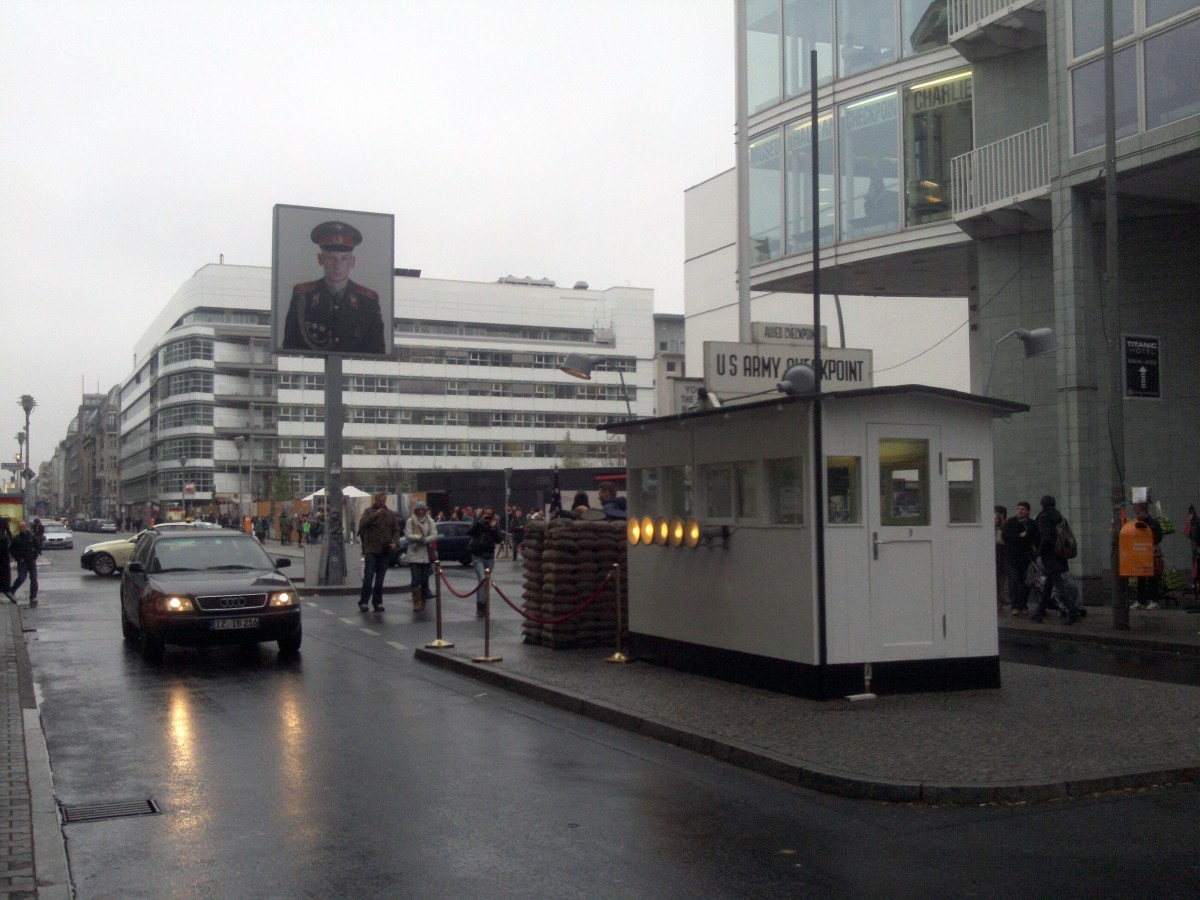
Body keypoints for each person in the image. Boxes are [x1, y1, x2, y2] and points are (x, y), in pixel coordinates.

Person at [282, 221, 385, 355]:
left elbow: (377, 353)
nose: (337, 265)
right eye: (331, 258)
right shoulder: (302, 296)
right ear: (321, 259)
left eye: (344, 259)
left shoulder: (368, 301)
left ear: (352, 262)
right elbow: (290, 348)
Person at [1031, 496, 1081, 624]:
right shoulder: (1059, 516)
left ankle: (1073, 611)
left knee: (1058, 584)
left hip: (1050, 555)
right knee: (1049, 584)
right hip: (1060, 554)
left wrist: (1038, 552)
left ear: (1042, 504)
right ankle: (1039, 612)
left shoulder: (1043, 517)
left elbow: (1046, 538)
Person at [357, 493, 400, 612]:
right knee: (368, 576)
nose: (381, 502)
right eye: (379, 500)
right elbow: (362, 525)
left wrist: (395, 543)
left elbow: (396, 530)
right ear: (375, 500)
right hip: (371, 549)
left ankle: (378, 602)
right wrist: (374, 516)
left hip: (385, 549)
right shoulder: (368, 511)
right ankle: (364, 602)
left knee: (380, 579)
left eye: (383, 500)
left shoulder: (390, 514)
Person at [1001, 501, 1040, 616]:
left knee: (1024, 582)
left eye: (1022, 509)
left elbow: (1036, 539)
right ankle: (1015, 606)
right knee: (1014, 580)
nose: (1020, 511)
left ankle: (1022, 605)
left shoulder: (1032, 524)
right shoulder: (1011, 522)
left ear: (1028, 511)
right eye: (1018, 509)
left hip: (1025, 557)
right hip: (1011, 557)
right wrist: (1019, 536)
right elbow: (1005, 537)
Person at [467, 508, 502, 617]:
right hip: (478, 556)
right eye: (485, 514)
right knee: (482, 580)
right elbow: (469, 532)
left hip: (489, 556)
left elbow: (499, 540)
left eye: (489, 515)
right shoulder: (478, 524)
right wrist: (479, 522)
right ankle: (480, 606)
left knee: (486, 582)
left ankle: (485, 606)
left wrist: (494, 528)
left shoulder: (493, 526)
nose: (487, 516)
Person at [1130, 501, 1164, 610]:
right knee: (1141, 578)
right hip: (1140, 554)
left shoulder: (1152, 523)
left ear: (1142, 510)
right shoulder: (1136, 524)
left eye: (1137, 510)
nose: (1136, 513)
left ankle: (1153, 600)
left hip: (1151, 555)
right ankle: (1141, 600)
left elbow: (1158, 537)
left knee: (1152, 577)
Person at [404, 502, 437, 612]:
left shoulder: (430, 521)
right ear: (416, 511)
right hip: (414, 552)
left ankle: (423, 600)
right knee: (415, 579)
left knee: (424, 580)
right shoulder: (411, 521)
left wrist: (426, 539)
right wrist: (419, 538)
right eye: (419, 509)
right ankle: (416, 601)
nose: (421, 511)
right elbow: (408, 535)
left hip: (425, 553)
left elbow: (434, 534)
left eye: (423, 509)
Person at [9, 520, 40, 607]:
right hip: (22, 562)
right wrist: (18, 558)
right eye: (20, 527)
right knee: (21, 578)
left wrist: (34, 557)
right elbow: (11, 550)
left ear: (26, 527)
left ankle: (33, 596)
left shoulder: (31, 537)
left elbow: (37, 547)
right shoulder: (16, 538)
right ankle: (12, 590)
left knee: (34, 579)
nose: (22, 528)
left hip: (31, 561)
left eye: (23, 526)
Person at [993, 505, 1007, 609]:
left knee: (999, 582)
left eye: (996, 519)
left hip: (1000, 559)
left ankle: (999, 601)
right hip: (994, 559)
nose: (994, 521)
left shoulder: (1001, 531)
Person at [0, 518, 12, 602]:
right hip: (4, 559)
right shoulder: (5, 537)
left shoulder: (4, 537)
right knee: (4, 576)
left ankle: (5, 589)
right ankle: (5, 589)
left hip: (4, 559)